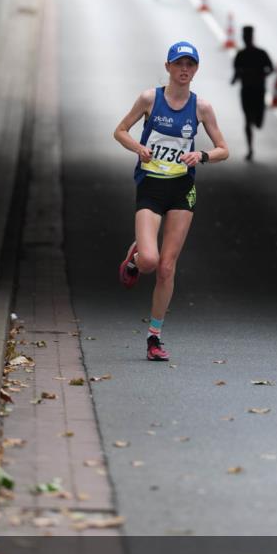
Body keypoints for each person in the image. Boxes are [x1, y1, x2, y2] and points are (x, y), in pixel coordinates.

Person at [113, 42, 229, 361]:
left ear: (196, 70)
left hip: (182, 189)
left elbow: (224, 149)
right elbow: (120, 131)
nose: (184, 70)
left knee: (166, 267)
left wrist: (201, 156)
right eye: (179, 64)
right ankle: (136, 256)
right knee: (150, 262)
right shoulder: (150, 99)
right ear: (168, 67)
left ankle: (154, 337)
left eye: (190, 64)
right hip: (150, 187)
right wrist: (138, 148)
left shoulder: (201, 107)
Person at [231, 25, 274, 160]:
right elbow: (236, 72)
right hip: (247, 91)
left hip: (258, 90)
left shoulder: (260, 53)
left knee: (258, 123)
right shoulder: (241, 55)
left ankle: (256, 120)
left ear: (251, 37)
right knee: (247, 120)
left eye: (247, 36)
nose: (246, 38)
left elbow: (271, 68)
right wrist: (237, 78)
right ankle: (250, 149)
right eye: (245, 36)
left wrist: (260, 75)